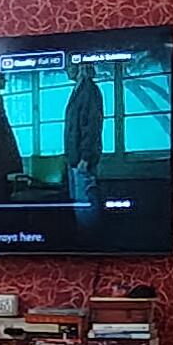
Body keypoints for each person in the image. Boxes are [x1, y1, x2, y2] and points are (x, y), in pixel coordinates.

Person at [63, 59, 107, 233]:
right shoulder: (79, 90)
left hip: (82, 158)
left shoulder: (89, 91)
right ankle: (85, 235)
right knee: (79, 201)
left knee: (85, 201)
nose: (67, 69)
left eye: (70, 65)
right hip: (75, 156)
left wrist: (85, 157)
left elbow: (92, 127)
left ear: (80, 67)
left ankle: (91, 237)